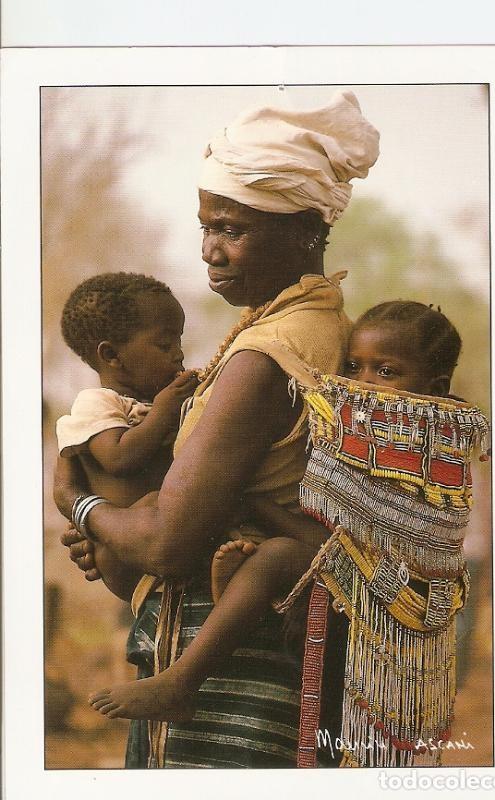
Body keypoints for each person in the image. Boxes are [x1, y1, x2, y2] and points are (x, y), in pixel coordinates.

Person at [54, 90, 380, 769]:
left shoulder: (266, 355)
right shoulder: (315, 326)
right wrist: (119, 535)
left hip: (231, 674)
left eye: (232, 229)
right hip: (266, 644)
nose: (211, 250)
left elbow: (169, 543)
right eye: (206, 227)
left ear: (305, 231)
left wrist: (81, 506)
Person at [86, 300, 463, 724]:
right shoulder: (356, 428)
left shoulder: (426, 451)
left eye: (386, 371)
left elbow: (350, 547)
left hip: (389, 595)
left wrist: (251, 504)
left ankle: (182, 683)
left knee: (278, 556)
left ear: (436, 387)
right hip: (340, 567)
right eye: (354, 366)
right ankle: (231, 586)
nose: (362, 381)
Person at [56, 272, 198, 600]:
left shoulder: (155, 402)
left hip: (160, 541)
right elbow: (119, 458)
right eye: (165, 345)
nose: (178, 354)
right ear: (111, 356)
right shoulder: (96, 403)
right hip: (123, 553)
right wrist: (164, 412)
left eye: (178, 342)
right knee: (154, 504)